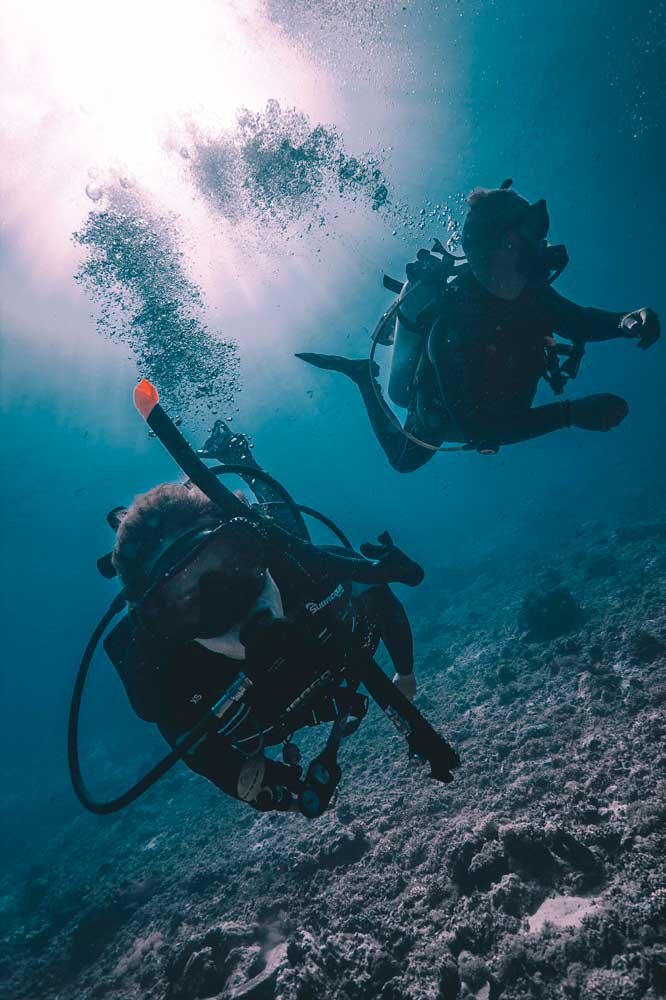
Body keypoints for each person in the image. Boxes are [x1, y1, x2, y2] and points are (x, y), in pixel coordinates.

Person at [107, 422, 423, 814]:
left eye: (230, 561)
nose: (230, 606)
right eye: (186, 599)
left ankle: (243, 465)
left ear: (255, 547)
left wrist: (404, 673)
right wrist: (268, 788)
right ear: (162, 626)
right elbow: (191, 741)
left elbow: (379, 596)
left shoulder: (303, 573)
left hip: (286, 565)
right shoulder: (174, 683)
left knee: (294, 540)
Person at [297, 179, 660, 472]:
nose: (544, 241)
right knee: (404, 461)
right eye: (534, 230)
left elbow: (577, 321)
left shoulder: (530, 293)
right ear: (504, 243)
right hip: (441, 414)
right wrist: (570, 414)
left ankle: (362, 376)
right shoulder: (452, 327)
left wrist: (624, 321)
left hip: (505, 395)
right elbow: (481, 431)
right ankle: (363, 377)